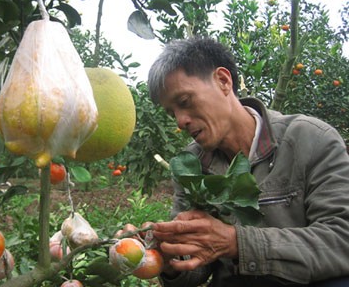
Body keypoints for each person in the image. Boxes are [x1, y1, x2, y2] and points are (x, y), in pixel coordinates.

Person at [118, 37, 349, 286]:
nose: (180, 121)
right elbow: (196, 267)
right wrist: (167, 256)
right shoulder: (190, 164)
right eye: (172, 112)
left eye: (184, 102)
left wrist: (236, 243)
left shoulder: (311, 139)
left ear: (223, 81)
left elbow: (341, 240)